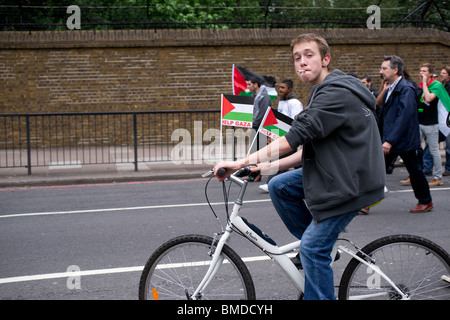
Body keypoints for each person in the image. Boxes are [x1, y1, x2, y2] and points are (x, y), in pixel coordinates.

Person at [214, 33, 385, 300]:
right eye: (297, 58)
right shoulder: (325, 90)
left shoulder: (334, 94)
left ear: (325, 59)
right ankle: (321, 246)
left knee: (312, 249)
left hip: (353, 184)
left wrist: (239, 162)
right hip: (343, 172)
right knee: (278, 185)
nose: (301, 63)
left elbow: (293, 138)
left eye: (309, 55)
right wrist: (265, 166)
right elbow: (306, 149)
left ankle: (316, 250)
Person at [379, 55, 433, 213]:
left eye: (384, 68)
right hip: (395, 138)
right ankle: (365, 202)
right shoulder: (392, 87)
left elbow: (404, 116)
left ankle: (425, 201)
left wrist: (389, 140)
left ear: (395, 70)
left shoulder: (406, 89)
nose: (380, 71)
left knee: (414, 170)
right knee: (378, 169)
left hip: (401, 140)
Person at [258, 79, 303, 192]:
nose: (280, 89)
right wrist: (271, 135)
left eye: (283, 87)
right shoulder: (282, 101)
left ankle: (271, 184)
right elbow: (278, 120)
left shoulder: (295, 103)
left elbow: (295, 121)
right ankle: (309, 177)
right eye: (280, 87)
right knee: (296, 163)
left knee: (282, 159)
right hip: (282, 136)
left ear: (290, 89)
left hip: (290, 137)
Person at [416, 63, 444, 186]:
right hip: (420, 122)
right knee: (413, 148)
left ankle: (438, 177)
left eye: (424, 71)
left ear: (430, 74)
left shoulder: (436, 85)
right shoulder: (421, 85)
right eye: (420, 70)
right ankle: (415, 175)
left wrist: (425, 84)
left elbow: (428, 98)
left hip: (432, 124)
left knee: (434, 151)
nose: (421, 73)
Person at [247, 76, 271, 152]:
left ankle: (256, 164)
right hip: (256, 127)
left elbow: (262, 114)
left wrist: (252, 126)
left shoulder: (264, 97)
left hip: (261, 128)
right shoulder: (254, 96)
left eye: (249, 84)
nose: (247, 87)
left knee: (258, 150)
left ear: (256, 85)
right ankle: (254, 164)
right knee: (254, 149)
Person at [441, 66, 450, 176]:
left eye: (444, 73)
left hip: (447, 120)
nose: (441, 74)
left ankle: (448, 168)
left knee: (448, 146)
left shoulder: (448, 87)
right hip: (443, 120)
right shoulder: (444, 86)